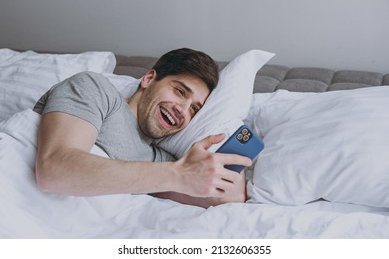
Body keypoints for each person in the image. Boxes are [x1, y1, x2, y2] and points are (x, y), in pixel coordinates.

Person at [33, 48, 252, 208]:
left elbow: (228, 199)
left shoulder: (159, 160)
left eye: (194, 109)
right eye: (180, 92)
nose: (182, 111)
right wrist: (177, 174)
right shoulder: (95, 89)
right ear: (148, 79)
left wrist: (230, 151)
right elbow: (54, 170)